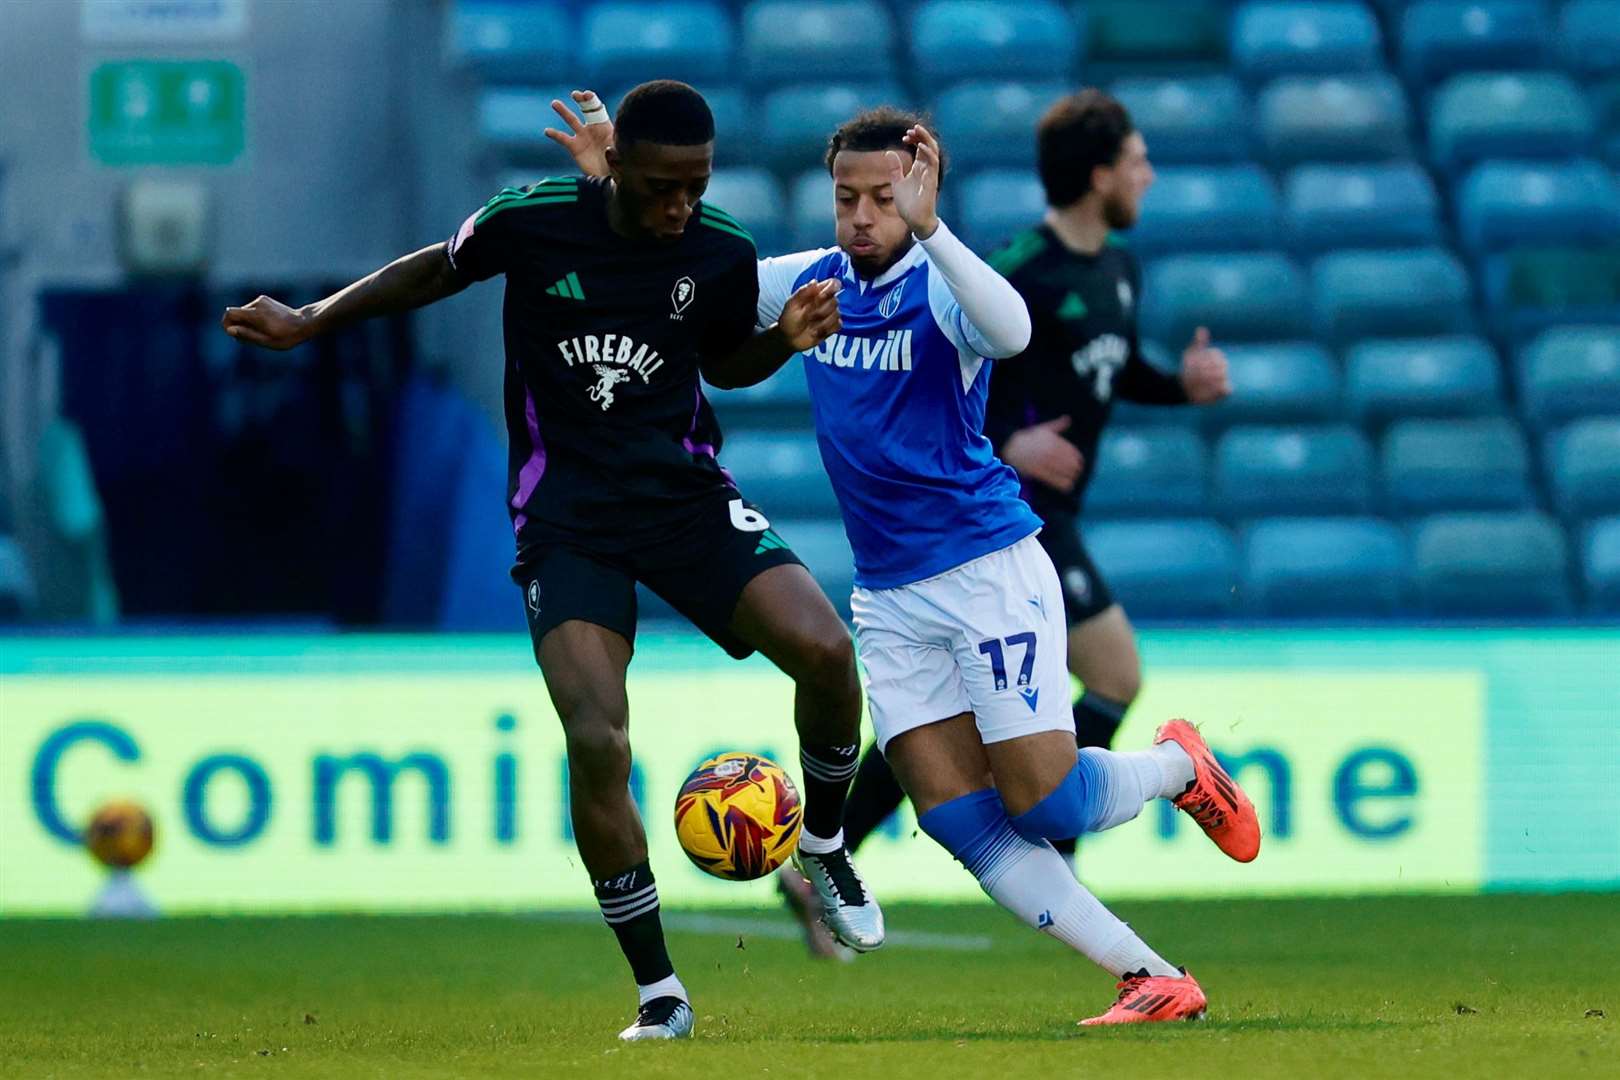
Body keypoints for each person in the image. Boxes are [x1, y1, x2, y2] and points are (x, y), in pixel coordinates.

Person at [555, 94, 1259, 1026]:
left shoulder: (942, 282)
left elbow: (1013, 333)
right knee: (955, 817)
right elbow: (694, 279)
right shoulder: (814, 279)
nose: (859, 217)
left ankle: (1176, 765)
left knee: (1042, 800)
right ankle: (1150, 976)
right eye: (846, 197)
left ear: (918, 194)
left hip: (986, 570)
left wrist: (934, 231)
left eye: (881, 199)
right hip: (889, 594)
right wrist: (611, 186)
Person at [220, 80, 884, 1043]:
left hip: (684, 501)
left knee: (828, 651)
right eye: (661, 186)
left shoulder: (722, 249)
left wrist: (779, 342)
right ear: (615, 167)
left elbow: (723, 361)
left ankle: (822, 844)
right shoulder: (531, 223)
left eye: (694, 185)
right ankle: (660, 991)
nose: (679, 207)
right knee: (599, 741)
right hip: (566, 518)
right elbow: (427, 273)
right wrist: (313, 320)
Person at [837, 88, 1233, 868]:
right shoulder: (1021, 268)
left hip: (1050, 517)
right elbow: (951, 377)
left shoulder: (1118, 268)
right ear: (1098, 175)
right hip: (1008, 519)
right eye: (1138, 161)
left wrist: (1177, 386)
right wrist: (1010, 441)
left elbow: (1109, 371)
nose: (1149, 177)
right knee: (1114, 672)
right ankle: (1050, 840)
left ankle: (837, 856)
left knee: (945, 716)